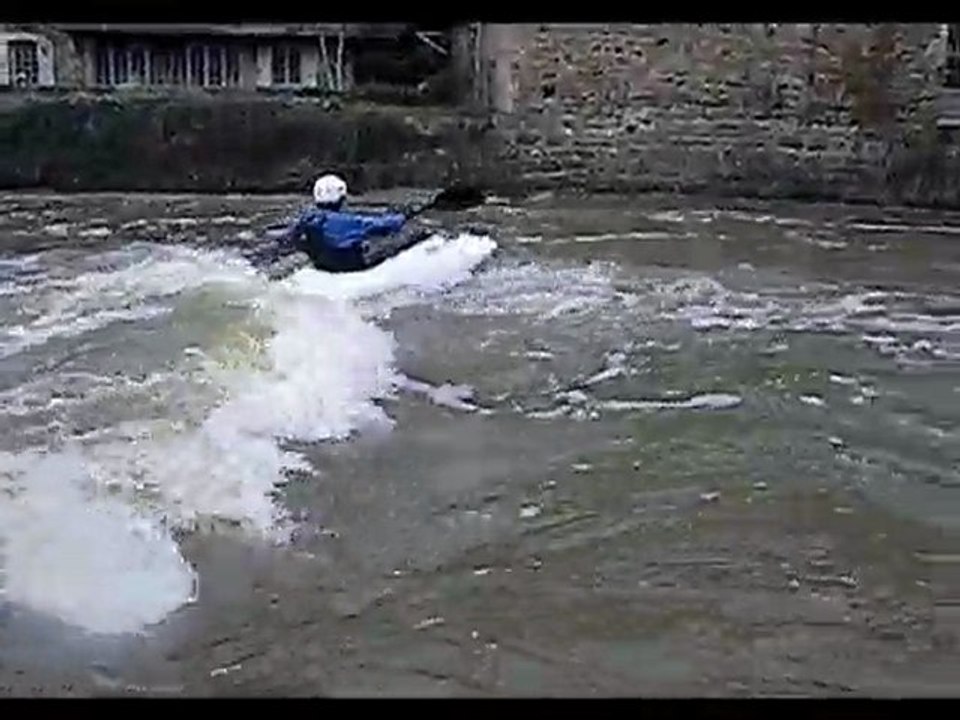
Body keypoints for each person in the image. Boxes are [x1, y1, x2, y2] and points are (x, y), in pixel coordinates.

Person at [261, 174, 415, 273]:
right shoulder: (352, 222)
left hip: (321, 269)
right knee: (399, 241)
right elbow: (387, 226)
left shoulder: (306, 218)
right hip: (349, 271)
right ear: (342, 198)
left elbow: (288, 239)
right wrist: (405, 214)